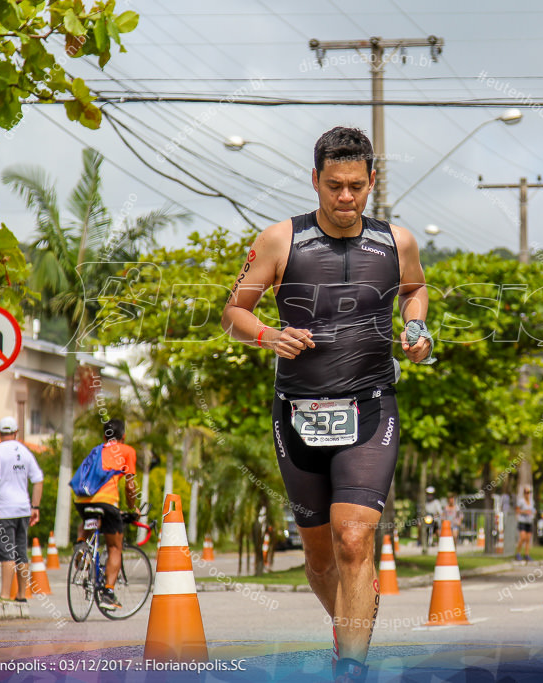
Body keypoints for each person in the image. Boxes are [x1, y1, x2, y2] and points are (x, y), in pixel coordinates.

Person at [221, 126, 432, 683]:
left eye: (356, 186)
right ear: (315, 179)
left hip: (370, 406)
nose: (345, 197)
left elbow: (414, 289)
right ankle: (348, 625)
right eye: (334, 185)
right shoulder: (279, 241)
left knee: (354, 538)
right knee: (319, 557)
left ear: (371, 182)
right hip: (297, 412)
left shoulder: (397, 243)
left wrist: (417, 329)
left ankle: (352, 669)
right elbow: (232, 315)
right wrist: (267, 335)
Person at [72, 418, 138, 611]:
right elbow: (130, 486)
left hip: (83, 501)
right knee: (115, 547)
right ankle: (108, 592)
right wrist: (133, 508)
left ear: (104, 437)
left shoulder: (96, 451)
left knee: (89, 523)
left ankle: (80, 546)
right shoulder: (127, 451)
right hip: (107, 502)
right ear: (123, 437)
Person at [0, 416, 43, 602]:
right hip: (23, 510)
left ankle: (4, 595)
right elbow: (38, 479)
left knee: (6, 554)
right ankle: (21, 595)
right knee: (21, 554)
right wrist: (35, 507)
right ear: (16, 433)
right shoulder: (25, 451)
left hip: (4, 510)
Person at [514, 486, 536, 563]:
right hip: (522, 521)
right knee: (522, 538)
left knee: (528, 539)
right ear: (524, 493)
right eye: (526, 492)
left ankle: (527, 555)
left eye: (529, 492)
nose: (528, 494)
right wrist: (524, 512)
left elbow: (533, 510)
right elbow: (517, 510)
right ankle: (518, 553)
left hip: (529, 522)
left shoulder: (531, 501)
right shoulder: (521, 501)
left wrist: (533, 512)